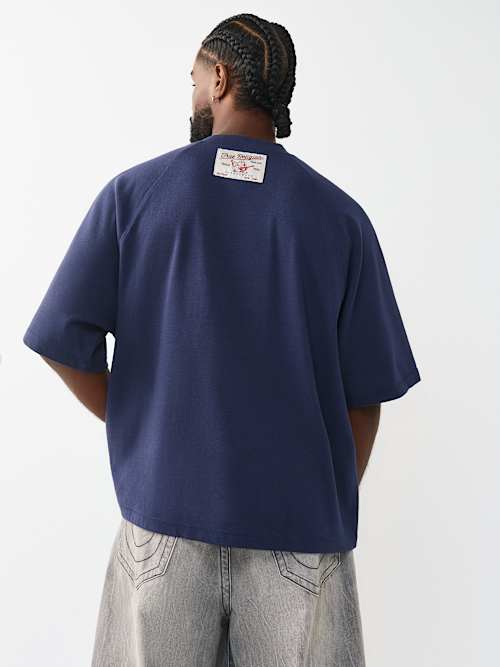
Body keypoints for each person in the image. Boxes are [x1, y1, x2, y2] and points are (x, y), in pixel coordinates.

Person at [22, 13, 421, 667]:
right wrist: (316, 494)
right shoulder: (340, 219)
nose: (192, 94)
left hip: (164, 523)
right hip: (299, 531)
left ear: (220, 78)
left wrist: (142, 421)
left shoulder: (135, 196)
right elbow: (366, 395)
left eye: (193, 79)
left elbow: (61, 340)